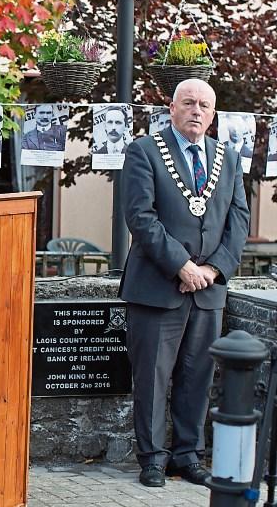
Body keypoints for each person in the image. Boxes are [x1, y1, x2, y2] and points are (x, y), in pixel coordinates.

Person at [120, 78, 249, 488]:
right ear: (172, 107)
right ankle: (153, 459)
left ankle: (187, 456)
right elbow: (140, 217)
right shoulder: (143, 151)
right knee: (153, 379)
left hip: (209, 289)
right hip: (158, 287)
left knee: (198, 376)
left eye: (205, 106)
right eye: (189, 103)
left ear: (213, 115)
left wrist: (212, 269)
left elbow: (238, 219)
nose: (197, 111)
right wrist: (181, 265)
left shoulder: (227, 158)